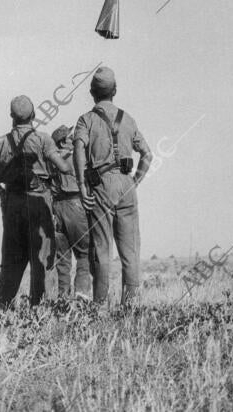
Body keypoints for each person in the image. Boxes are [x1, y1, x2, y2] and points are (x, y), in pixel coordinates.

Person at [73, 66, 152, 306]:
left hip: (101, 187)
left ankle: (100, 305)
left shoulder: (86, 120)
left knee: (101, 249)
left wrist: (82, 187)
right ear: (115, 91)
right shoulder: (128, 119)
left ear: (91, 92)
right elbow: (147, 155)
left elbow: (78, 150)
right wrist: (134, 182)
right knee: (130, 252)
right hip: (126, 184)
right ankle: (131, 305)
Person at [0, 95, 72, 308]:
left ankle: (3, 308)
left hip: (13, 205)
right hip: (38, 202)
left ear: (11, 117)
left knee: (11, 261)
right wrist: (62, 155)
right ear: (33, 115)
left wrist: (2, 193)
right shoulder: (43, 139)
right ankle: (40, 308)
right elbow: (64, 168)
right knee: (43, 259)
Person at [50, 125, 91, 299]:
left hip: (56, 208)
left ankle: (63, 299)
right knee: (84, 254)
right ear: (63, 141)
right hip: (75, 205)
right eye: (70, 136)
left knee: (63, 259)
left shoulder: (50, 160)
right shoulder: (77, 157)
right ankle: (81, 296)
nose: (73, 137)